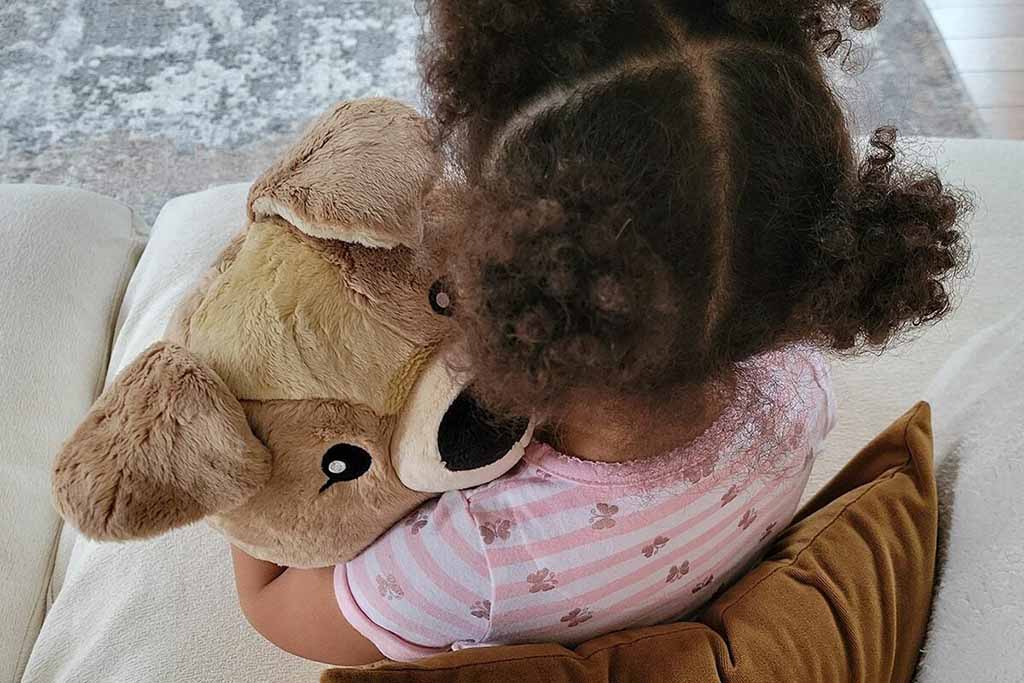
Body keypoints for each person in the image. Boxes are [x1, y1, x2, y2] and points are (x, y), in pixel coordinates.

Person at [231, 0, 972, 665]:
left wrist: (239, 373)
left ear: (504, 266)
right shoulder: (801, 386)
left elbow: (273, 608)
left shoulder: (471, 559)